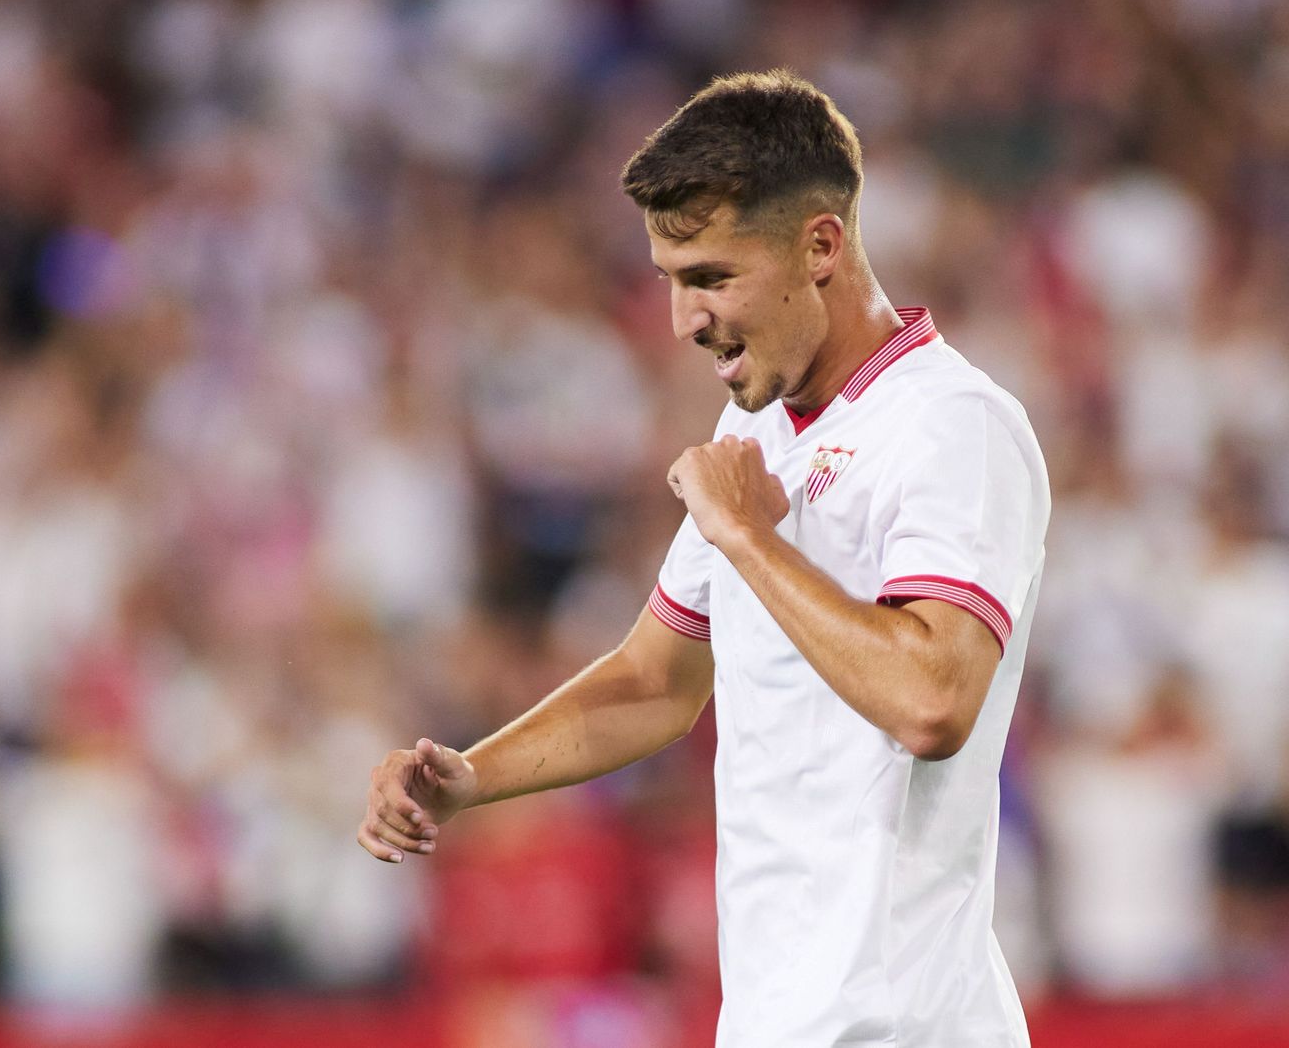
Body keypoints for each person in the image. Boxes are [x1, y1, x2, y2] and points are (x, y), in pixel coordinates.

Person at [358, 69, 1050, 1047]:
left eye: (711, 277)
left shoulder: (948, 426)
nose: (686, 320)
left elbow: (934, 699)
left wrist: (748, 536)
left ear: (821, 246)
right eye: (670, 282)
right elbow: (656, 679)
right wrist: (473, 776)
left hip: (902, 1028)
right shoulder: (759, 434)